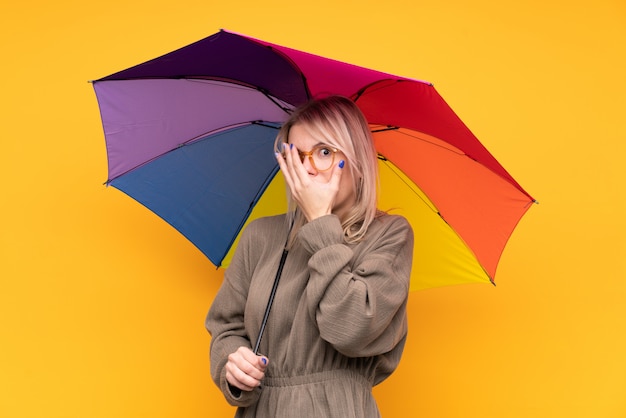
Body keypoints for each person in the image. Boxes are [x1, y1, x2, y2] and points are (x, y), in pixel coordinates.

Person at [206, 95, 414, 417]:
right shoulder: (260, 236)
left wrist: (320, 223)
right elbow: (227, 326)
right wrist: (233, 365)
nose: (307, 169)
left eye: (324, 152)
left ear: (357, 161)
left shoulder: (388, 235)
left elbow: (350, 329)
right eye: (295, 155)